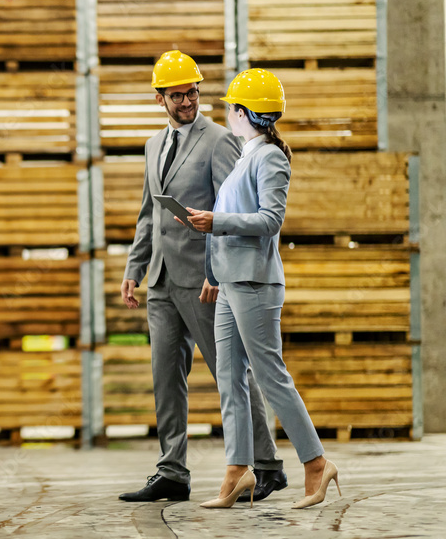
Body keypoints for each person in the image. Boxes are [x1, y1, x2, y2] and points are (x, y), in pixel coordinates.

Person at [119, 51, 286, 503]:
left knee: (230, 372)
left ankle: (267, 464)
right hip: (161, 280)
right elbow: (148, 214)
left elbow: (233, 206)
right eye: (178, 95)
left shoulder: (218, 141)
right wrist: (135, 268)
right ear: (159, 99)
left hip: (204, 281)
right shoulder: (153, 145)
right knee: (165, 378)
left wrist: (217, 271)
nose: (188, 101)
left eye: (193, 92)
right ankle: (172, 470)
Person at [181, 68, 340, 509]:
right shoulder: (245, 156)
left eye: (231, 108)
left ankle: (316, 463)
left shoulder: (270, 157)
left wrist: (217, 221)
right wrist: (208, 237)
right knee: (230, 379)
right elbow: (238, 219)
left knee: (271, 376)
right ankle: (238, 470)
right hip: (230, 281)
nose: (227, 115)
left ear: (242, 112)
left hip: (255, 283)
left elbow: (270, 221)